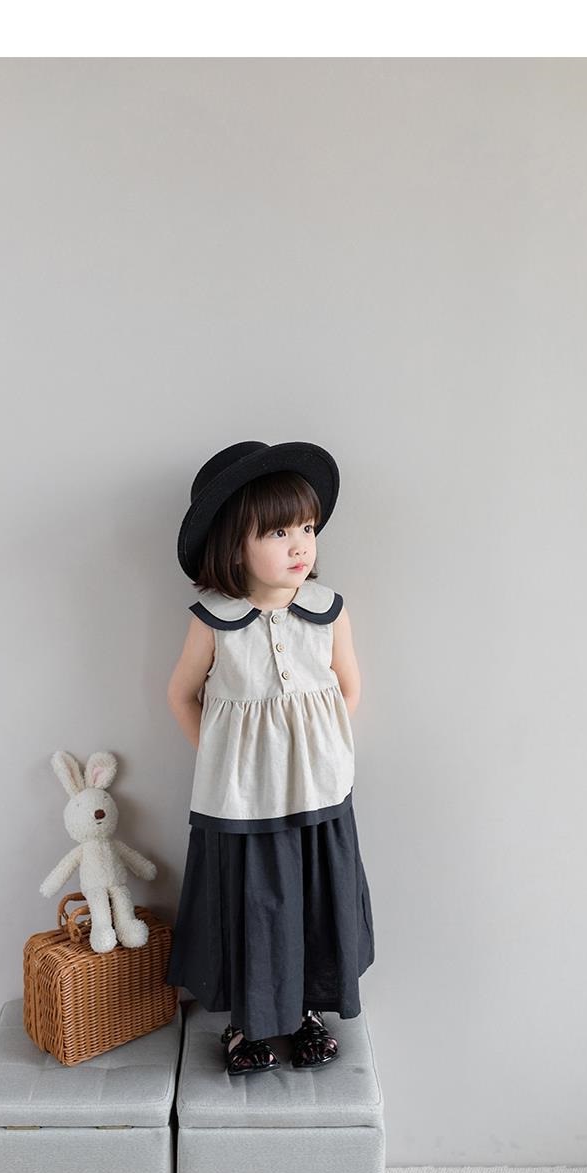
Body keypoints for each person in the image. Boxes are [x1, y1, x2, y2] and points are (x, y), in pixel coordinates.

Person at [165, 440, 375, 1076]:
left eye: (306, 528)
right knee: (252, 905)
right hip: (241, 802)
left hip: (317, 793)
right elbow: (181, 695)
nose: (299, 545)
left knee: (312, 900)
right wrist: (226, 761)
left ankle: (306, 1013)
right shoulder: (215, 619)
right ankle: (246, 1024)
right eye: (279, 531)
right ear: (235, 545)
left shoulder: (326, 611)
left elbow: (347, 688)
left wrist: (321, 756)